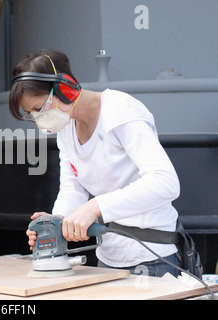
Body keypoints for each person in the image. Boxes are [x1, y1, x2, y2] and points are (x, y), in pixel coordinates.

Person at [9, 49, 181, 277]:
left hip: (152, 259)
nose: (39, 119)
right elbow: (73, 188)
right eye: (32, 114)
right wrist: (56, 223)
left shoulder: (120, 110)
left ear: (65, 87)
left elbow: (165, 182)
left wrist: (93, 208)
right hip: (107, 259)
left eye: (40, 109)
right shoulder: (66, 126)